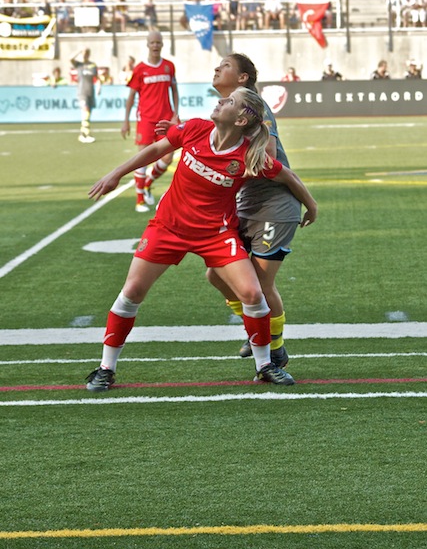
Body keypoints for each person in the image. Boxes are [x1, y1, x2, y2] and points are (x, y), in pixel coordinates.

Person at [85, 86, 317, 392]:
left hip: (216, 234)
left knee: (252, 293)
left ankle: (265, 366)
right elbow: (156, 150)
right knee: (132, 292)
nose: (221, 101)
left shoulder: (249, 155)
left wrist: (311, 205)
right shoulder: (195, 128)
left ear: (241, 120)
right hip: (168, 227)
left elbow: (287, 175)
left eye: (230, 101)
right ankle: (106, 369)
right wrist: (117, 173)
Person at [203, 54, 309, 367]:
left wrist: (221, 174)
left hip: (274, 206)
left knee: (261, 284)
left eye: (226, 65)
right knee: (216, 275)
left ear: (243, 78)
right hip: (245, 205)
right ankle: (256, 329)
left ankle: (275, 347)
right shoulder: (226, 110)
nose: (217, 68)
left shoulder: (254, 107)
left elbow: (269, 158)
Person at [122, 31, 179, 212]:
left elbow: (174, 90)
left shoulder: (169, 66)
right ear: (147, 44)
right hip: (146, 119)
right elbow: (131, 96)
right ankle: (139, 200)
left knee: (168, 157)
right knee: (143, 158)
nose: (155, 45)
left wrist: (175, 113)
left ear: (162, 44)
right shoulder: (139, 69)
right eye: (152, 42)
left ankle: (148, 183)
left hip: (165, 119)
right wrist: (126, 121)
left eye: (158, 42)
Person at [70, 48, 101, 143]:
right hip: (82, 92)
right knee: (85, 111)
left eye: (86, 53)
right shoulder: (79, 64)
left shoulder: (92, 65)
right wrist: (78, 51)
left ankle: (82, 134)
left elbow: (97, 78)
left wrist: (99, 87)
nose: (85, 55)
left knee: (88, 114)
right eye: (83, 53)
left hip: (90, 92)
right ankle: (86, 134)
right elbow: (70, 58)